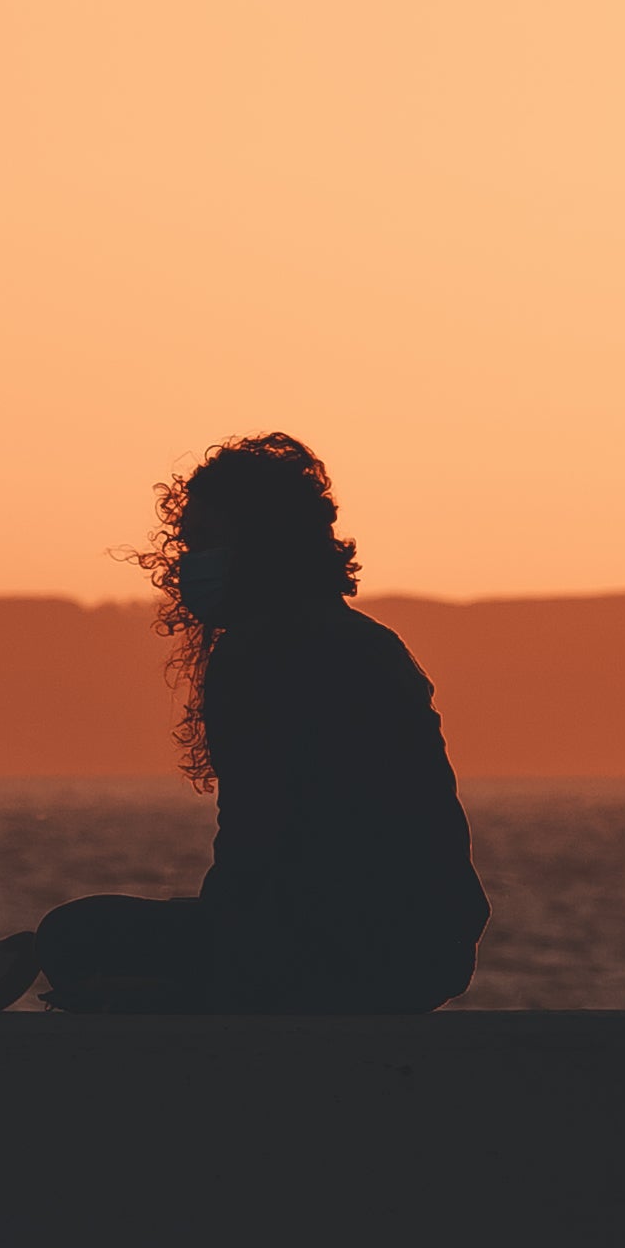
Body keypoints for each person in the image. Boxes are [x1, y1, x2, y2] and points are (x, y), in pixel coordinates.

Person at [26, 433, 489, 1014]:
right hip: (429, 951)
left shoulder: (261, 653)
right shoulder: (370, 641)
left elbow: (256, 840)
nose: (191, 563)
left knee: (71, 937)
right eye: (188, 545)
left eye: (208, 544)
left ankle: (188, 1001)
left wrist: (219, 952)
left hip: (337, 952)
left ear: (264, 546)